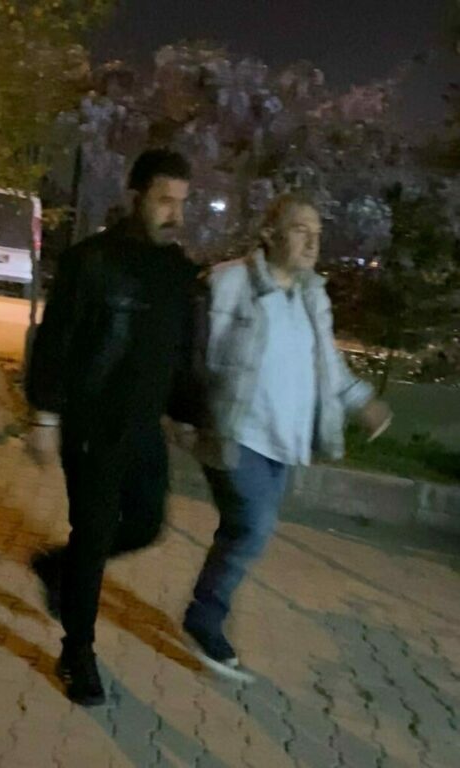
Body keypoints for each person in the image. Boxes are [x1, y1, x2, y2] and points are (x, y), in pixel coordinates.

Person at [178, 192, 392, 680]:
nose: (312, 243)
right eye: (300, 230)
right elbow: (193, 355)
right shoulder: (229, 282)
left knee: (242, 531)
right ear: (269, 235)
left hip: (284, 442)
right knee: (252, 527)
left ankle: (204, 612)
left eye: (318, 234)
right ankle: (204, 618)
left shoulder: (311, 296)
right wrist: (185, 415)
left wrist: (361, 402)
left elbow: (328, 366)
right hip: (237, 433)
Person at [26, 149, 201, 707]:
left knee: (147, 525)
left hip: (143, 428)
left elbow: (179, 353)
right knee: (94, 535)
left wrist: (187, 415)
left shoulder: (177, 272)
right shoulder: (91, 261)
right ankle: (77, 652)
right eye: (164, 200)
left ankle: (57, 566)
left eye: (181, 203)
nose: (174, 214)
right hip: (91, 424)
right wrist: (45, 415)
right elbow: (54, 341)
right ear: (137, 196)